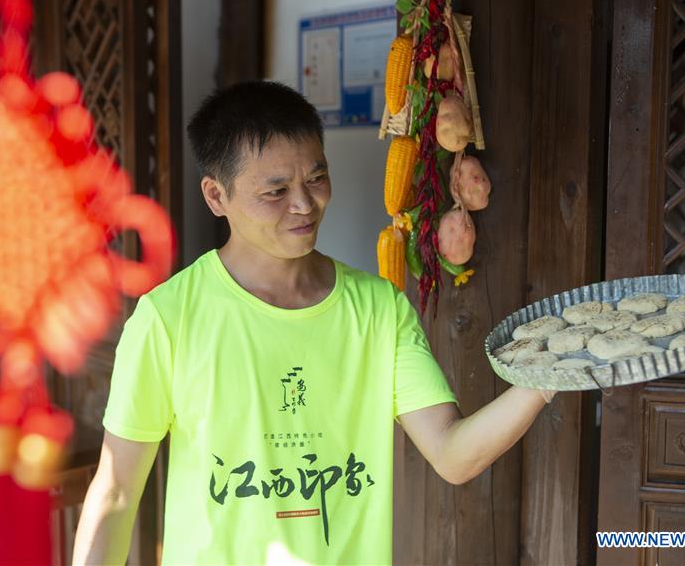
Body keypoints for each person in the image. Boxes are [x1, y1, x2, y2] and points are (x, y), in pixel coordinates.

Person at [72, 81, 553, 565]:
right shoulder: (168, 318)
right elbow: (115, 493)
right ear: (217, 196)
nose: (304, 205)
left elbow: (452, 454)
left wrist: (552, 376)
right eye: (275, 191)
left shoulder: (379, 311)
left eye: (316, 179)